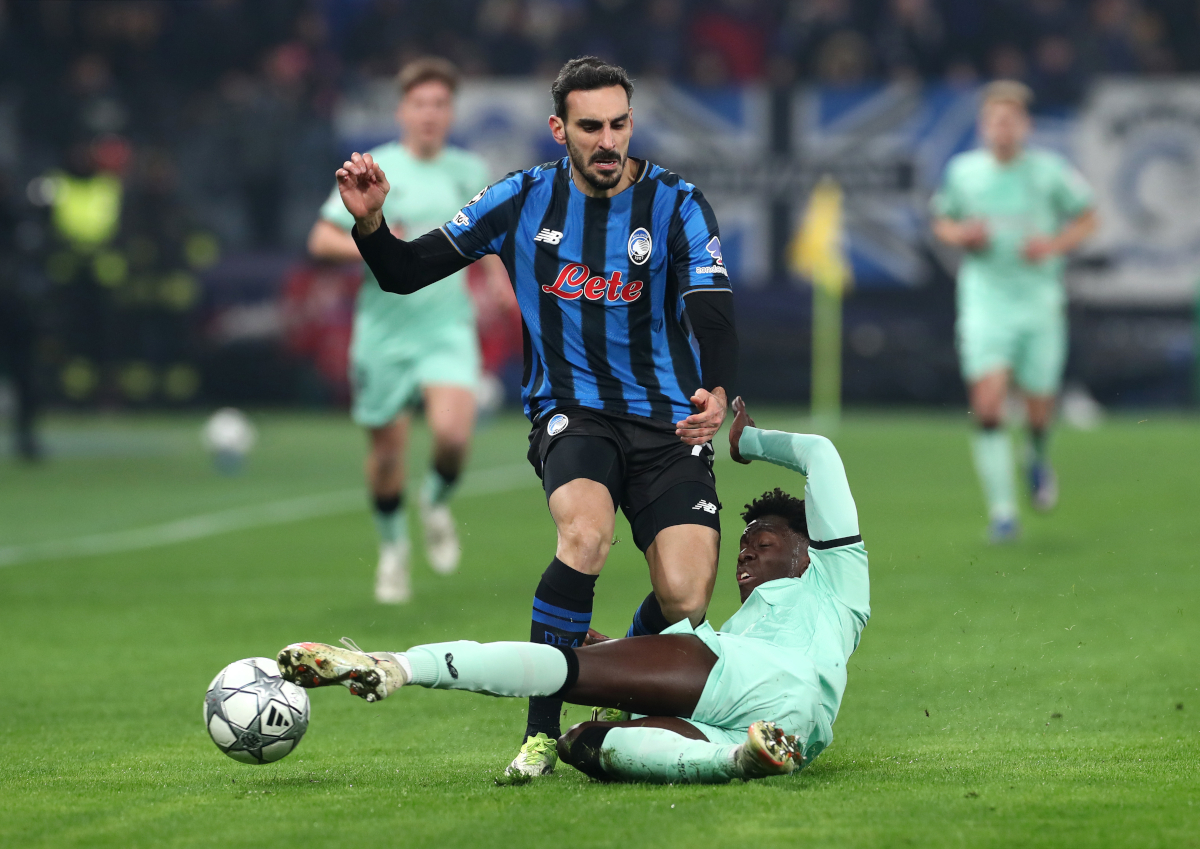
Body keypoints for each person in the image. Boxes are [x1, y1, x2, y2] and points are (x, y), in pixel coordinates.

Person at [331, 56, 740, 776]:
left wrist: (717, 389)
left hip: (670, 420)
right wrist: (370, 226)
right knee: (584, 534)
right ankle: (541, 733)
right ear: (559, 129)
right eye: (591, 127)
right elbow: (403, 271)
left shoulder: (677, 202)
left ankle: (614, 671)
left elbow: (713, 310)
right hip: (572, 411)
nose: (607, 140)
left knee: (687, 598)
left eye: (618, 124)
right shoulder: (520, 198)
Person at [277, 396, 869, 784]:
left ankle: (398, 666)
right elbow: (690, 678)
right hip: (795, 726)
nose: (745, 553)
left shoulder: (837, 580)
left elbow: (821, 454)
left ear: (806, 547)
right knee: (584, 742)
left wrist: (748, 443)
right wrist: (625, 653)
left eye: (761, 542)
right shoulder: (743, 629)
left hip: (741, 676)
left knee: (564, 669)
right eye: (742, 547)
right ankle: (741, 758)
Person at [308, 58, 506, 602]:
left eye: (440, 104)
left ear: (450, 112)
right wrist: (375, 245)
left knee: (452, 435)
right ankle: (393, 549)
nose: (430, 113)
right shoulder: (376, 169)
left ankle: (436, 501)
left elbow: (487, 235)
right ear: (402, 111)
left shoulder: (467, 170)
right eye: (420, 103)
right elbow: (321, 241)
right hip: (384, 333)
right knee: (389, 455)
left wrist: (498, 283)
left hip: (446, 328)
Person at [931, 80, 1096, 543]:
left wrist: (1054, 245)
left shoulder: (1050, 172)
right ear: (985, 126)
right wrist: (963, 236)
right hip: (985, 301)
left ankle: (1038, 455)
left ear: (1024, 125)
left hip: (1039, 303)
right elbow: (942, 221)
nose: (1001, 128)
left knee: (1039, 409)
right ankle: (1004, 512)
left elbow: (1089, 216)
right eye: (994, 120)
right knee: (987, 405)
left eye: (1010, 119)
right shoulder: (964, 172)